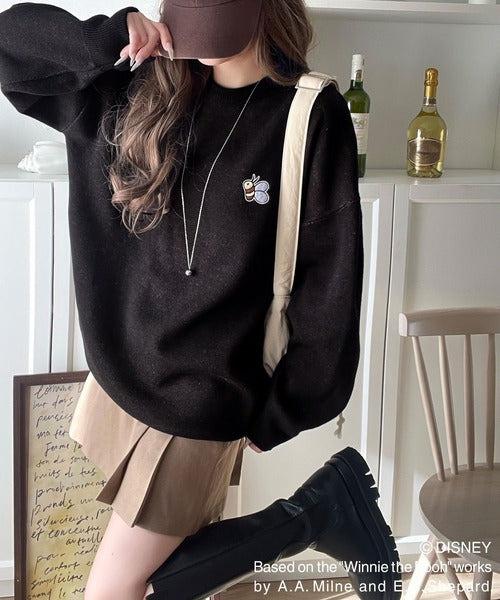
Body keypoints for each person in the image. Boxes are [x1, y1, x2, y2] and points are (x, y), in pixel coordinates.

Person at [0, 1, 401, 599]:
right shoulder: (132, 90)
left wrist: (288, 407)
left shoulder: (307, 113)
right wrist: (109, 35)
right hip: (124, 385)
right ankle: (319, 509)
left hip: (204, 399)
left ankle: (314, 514)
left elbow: (329, 283)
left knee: (111, 591)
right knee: (162, 585)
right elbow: (9, 47)